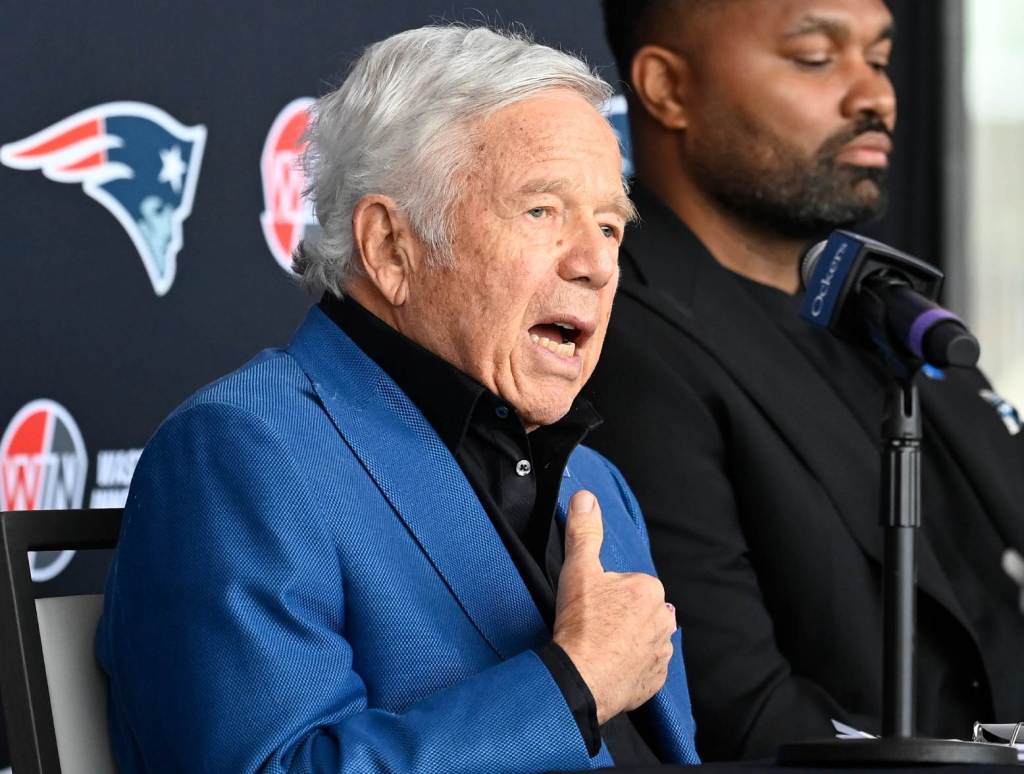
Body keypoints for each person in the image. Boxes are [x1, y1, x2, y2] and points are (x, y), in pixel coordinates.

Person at [96, 24, 701, 773]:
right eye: (542, 211)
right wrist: (570, 684)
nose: (596, 265)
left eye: (610, 225)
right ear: (391, 246)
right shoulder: (242, 454)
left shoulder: (598, 485)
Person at [589, 0, 1024, 761]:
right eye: (817, 59)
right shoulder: (615, 335)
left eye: (881, 61)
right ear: (665, 88)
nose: (874, 97)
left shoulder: (889, 312)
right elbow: (738, 716)